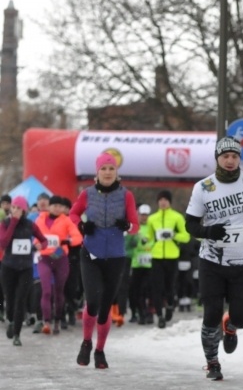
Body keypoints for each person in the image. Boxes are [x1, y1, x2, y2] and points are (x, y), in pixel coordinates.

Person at [184, 136, 243, 381]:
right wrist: (207, 232)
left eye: (234, 156)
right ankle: (212, 362)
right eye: (225, 156)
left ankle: (231, 326)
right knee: (211, 313)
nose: (230, 160)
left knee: (242, 317)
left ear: (239, 159)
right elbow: (190, 224)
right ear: (217, 159)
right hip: (211, 261)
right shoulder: (204, 187)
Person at [69, 152, 139, 368]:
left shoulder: (126, 195)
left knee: (106, 306)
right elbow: (72, 214)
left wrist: (126, 226)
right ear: (97, 173)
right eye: (103, 169)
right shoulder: (87, 194)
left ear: (117, 173)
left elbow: (135, 225)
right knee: (93, 300)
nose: (107, 172)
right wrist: (82, 226)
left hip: (116, 257)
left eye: (111, 169)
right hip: (91, 253)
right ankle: (86, 342)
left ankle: (100, 350)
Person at [0, 197, 47, 346]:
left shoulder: (30, 225)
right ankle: (11, 320)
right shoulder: (5, 223)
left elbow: (44, 240)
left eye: (18, 208)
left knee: (20, 299)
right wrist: (13, 221)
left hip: (25, 268)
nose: (15, 210)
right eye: (13, 207)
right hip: (8, 266)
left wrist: (40, 246)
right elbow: (3, 243)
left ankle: (17, 335)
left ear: (24, 210)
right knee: (10, 298)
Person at [34, 195, 82, 335]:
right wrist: (35, 244)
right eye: (54, 205)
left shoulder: (66, 220)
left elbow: (78, 237)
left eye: (60, 206)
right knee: (46, 290)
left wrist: (67, 242)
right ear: (49, 206)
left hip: (60, 259)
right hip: (44, 258)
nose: (57, 208)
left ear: (63, 209)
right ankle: (46, 321)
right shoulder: (40, 219)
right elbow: (35, 235)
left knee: (59, 292)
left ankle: (57, 319)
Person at [146, 190, 190, 328]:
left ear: (169, 202)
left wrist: (173, 235)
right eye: (160, 200)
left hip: (172, 256)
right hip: (157, 256)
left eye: (165, 200)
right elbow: (149, 238)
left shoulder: (177, 217)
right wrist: (146, 242)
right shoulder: (152, 219)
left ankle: (170, 306)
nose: (163, 202)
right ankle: (159, 316)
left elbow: (186, 236)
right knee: (157, 287)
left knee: (170, 287)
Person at [126, 203, 153, 324]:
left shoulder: (152, 227)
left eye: (146, 215)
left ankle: (147, 313)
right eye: (142, 215)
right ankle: (135, 313)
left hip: (150, 264)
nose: (144, 217)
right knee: (133, 290)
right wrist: (134, 241)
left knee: (146, 290)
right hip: (136, 264)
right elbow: (127, 246)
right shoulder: (133, 228)